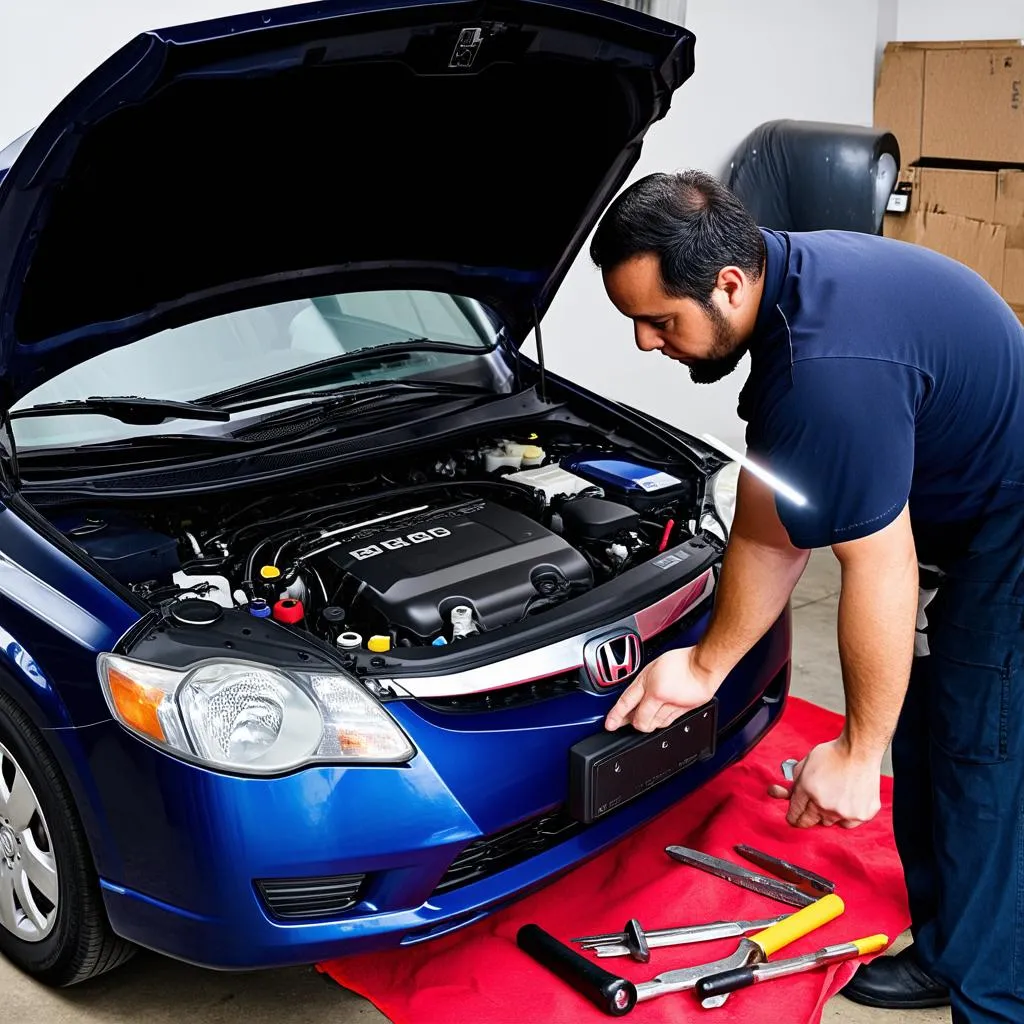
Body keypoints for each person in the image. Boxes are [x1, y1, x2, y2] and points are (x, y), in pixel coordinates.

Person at [591, 169, 1024, 1024]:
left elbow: (879, 567)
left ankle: (995, 996)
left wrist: (860, 757)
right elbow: (766, 524)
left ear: (726, 284)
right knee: (939, 723)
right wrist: (706, 668)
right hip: (969, 497)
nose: (646, 343)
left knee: (982, 745)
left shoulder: (831, 367)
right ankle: (950, 951)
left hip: (1012, 520)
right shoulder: (783, 301)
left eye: (659, 321)